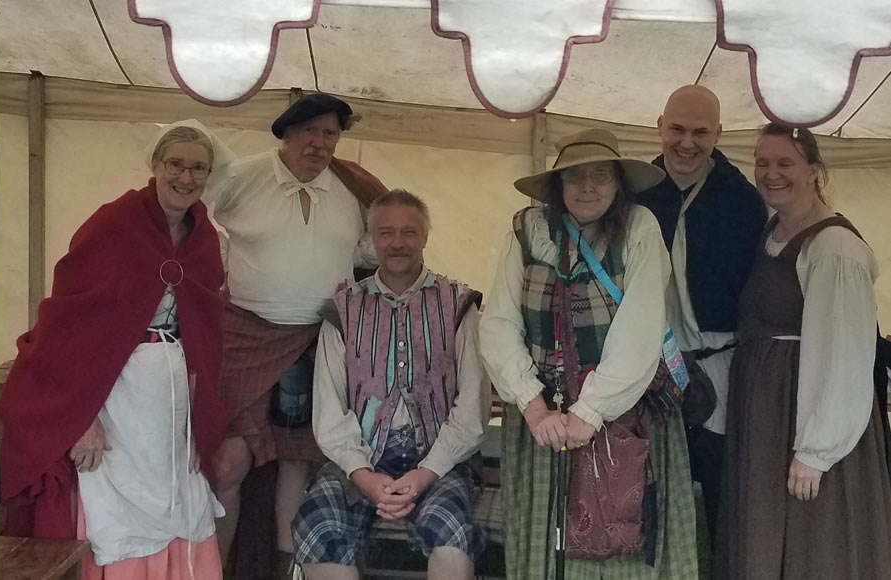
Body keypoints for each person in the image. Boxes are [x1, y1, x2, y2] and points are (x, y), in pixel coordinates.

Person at [0, 120, 233, 579]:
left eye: (198, 168)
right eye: (176, 165)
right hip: (114, 395)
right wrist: (83, 420)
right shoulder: (112, 224)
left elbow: (206, 334)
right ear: (155, 166)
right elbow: (69, 326)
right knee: (118, 504)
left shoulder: (205, 237)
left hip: (172, 397)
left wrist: (196, 420)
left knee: (178, 500)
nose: (186, 178)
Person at [478, 128, 699, 578]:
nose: (588, 187)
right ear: (557, 186)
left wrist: (591, 409)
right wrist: (535, 408)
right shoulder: (527, 232)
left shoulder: (639, 228)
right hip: (545, 416)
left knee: (625, 543)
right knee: (547, 545)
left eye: (601, 176)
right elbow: (499, 322)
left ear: (619, 184)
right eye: (574, 177)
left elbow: (641, 326)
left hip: (624, 407)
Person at [205, 93, 388, 577]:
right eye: (309, 131)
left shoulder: (352, 188)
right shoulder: (241, 177)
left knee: (297, 464)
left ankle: (285, 572)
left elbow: (373, 251)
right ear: (286, 134)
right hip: (242, 337)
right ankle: (215, 570)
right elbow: (188, 222)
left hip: (316, 340)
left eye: (330, 134)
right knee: (227, 464)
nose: (319, 143)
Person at [715, 124, 891, 580]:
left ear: (814, 170)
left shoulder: (833, 247)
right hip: (766, 415)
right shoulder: (770, 232)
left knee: (814, 545)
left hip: (806, 418)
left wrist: (816, 452)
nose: (771, 174)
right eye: (762, 163)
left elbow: (845, 357)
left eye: (785, 163)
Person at [291, 189, 488, 580]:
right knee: (320, 527)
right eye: (386, 233)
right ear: (371, 239)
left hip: (439, 461)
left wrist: (425, 473)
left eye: (409, 232)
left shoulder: (459, 304)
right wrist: (363, 476)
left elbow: (472, 410)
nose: (397, 243)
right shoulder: (344, 309)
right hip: (359, 461)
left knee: (449, 530)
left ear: (426, 237)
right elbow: (329, 411)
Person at [638, 85, 766, 543]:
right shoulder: (635, 193)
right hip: (649, 367)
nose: (686, 142)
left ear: (718, 134)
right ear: (659, 126)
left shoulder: (743, 202)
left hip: (721, 368)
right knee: (648, 493)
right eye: (676, 129)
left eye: (699, 132)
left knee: (721, 493)